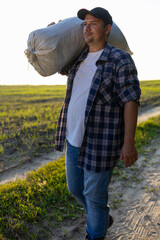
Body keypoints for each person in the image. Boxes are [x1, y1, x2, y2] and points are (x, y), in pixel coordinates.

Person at [55, 7, 141, 240]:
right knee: (75, 189)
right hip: (73, 138)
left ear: (107, 29)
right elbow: (55, 62)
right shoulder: (78, 58)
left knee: (93, 196)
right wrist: (54, 33)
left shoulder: (119, 59)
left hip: (100, 143)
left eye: (93, 23)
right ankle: (101, 214)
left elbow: (130, 100)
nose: (87, 27)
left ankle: (95, 232)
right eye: (85, 24)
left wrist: (129, 143)